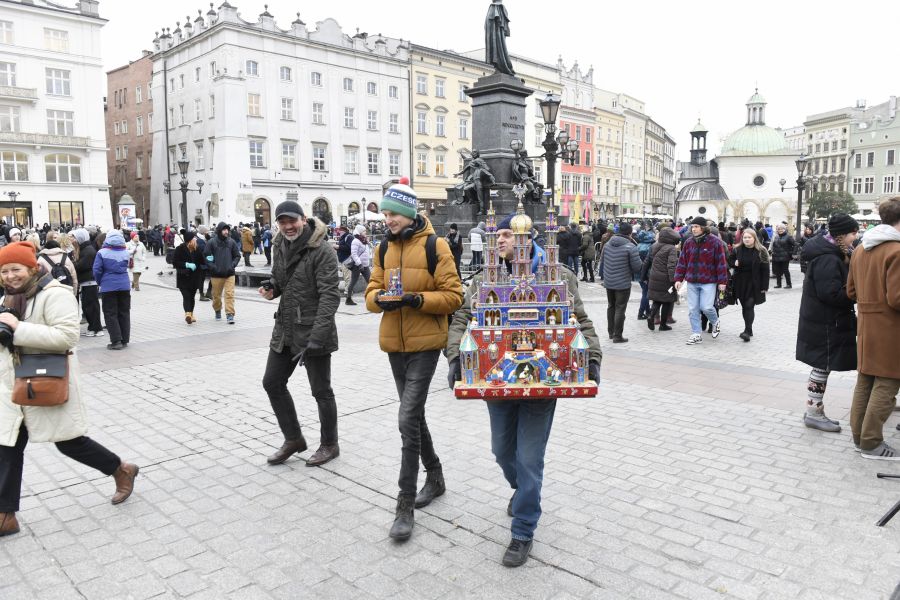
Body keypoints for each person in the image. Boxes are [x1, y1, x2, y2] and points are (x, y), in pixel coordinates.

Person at [446, 211, 602, 567]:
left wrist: (591, 357)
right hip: (497, 379)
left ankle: (523, 529)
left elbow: (579, 320)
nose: (502, 240)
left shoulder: (559, 276)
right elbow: (462, 319)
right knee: (502, 452)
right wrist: (456, 356)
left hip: (541, 384)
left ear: (527, 238)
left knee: (529, 460)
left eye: (508, 234)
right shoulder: (484, 278)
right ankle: (523, 492)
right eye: (498, 235)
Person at [0, 242, 139, 538]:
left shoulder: (55, 294)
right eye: (4, 271)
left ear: (32, 268)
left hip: (45, 380)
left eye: (15, 269)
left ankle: (121, 469)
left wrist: (17, 328)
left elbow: (67, 336)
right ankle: (5, 516)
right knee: (7, 446)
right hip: (14, 386)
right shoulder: (8, 297)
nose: (10, 276)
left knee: (69, 443)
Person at [364, 179, 462, 541]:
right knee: (414, 415)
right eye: (385, 214)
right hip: (395, 344)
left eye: (393, 214)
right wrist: (380, 300)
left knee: (406, 418)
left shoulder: (437, 246)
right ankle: (435, 476)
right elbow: (371, 292)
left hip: (425, 345)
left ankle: (404, 505)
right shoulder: (382, 248)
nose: (387, 219)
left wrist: (416, 300)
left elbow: (454, 296)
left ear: (408, 214)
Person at [259, 201, 341, 468]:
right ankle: (293, 439)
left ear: (303, 220)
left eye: (292, 221)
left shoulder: (322, 250)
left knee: (321, 391)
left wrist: (318, 336)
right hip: (285, 329)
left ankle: (330, 444)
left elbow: (330, 295)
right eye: (282, 222)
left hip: (315, 330)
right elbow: (280, 280)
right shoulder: (279, 244)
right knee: (272, 382)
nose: (288, 227)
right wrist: (272, 288)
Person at [796, 213, 860, 433]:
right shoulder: (828, 258)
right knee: (822, 366)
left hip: (823, 319)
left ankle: (814, 410)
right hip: (824, 321)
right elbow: (830, 294)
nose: (855, 236)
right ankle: (813, 413)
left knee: (822, 365)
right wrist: (854, 293)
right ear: (842, 235)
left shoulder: (832, 252)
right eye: (853, 233)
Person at [847, 198, 900, 458]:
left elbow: (850, 291)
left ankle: (860, 438)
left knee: (865, 381)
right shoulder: (896, 250)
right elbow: (897, 298)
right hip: (891, 328)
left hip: (867, 325)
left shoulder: (861, 248)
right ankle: (871, 442)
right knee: (888, 383)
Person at [674, 217, 728, 345]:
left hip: (708, 281)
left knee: (706, 307)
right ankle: (696, 334)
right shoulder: (688, 242)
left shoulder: (715, 242)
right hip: (692, 280)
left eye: (696, 226)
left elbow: (721, 263)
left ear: (703, 228)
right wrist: (678, 278)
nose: (693, 229)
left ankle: (715, 322)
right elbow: (682, 261)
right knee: (693, 309)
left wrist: (722, 282)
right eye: (692, 227)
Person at [601, 222, 641, 343]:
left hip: (609, 281)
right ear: (630, 233)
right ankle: (617, 336)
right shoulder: (630, 247)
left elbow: (602, 261)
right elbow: (637, 267)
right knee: (620, 308)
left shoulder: (607, 244)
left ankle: (611, 332)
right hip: (623, 283)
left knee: (611, 306)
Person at [728, 228, 770, 342]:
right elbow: (729, 261)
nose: (747, 239)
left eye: (749, 237)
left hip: (754, 283)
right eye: (745, 237)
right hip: (740, 282)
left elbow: (765, 269)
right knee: (744, 306)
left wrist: (764, 286)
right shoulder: (737, 249)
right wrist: (734, 263)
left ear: (754, 238)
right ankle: (749, 329)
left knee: (749, 305)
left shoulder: (761, 250)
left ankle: (747, 331)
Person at [92, 230, 131, 351]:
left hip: (108, 286)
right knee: (124, 312)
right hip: (125, 285)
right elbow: (129, 266)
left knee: (110, 313)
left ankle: (116, 341)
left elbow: (96, 270)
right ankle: (125, 339)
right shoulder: (126, 252)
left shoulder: (102, 253)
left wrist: (100, 282)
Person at [205, 222, 241, 324]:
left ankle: (230, 314)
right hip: (216, 274)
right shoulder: (211, 242)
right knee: (216, 296)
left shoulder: (231, 242)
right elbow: (206, 257)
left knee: (229, 294)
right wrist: (213, 267)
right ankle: (217, 310)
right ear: (219, 230)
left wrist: (232, 265)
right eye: (224, 230)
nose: (226, 232)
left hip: (229, 273)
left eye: (227, 230)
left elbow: (237, 255)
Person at [645, 226, 680, 332]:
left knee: (657, 299)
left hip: (654, 276)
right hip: (666, 278)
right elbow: (671, 265)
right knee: (667, 301)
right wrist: (673, 280)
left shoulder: (655, 245)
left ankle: (651, 316)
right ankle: (663, 325)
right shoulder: (671, 248)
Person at [72, 228, 103, 338]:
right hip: (86, 282)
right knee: (88, 306)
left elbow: (80, 266)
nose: (73, 240)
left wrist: (71, 265)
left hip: (90, 282)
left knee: (91, 306)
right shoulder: (85, 249)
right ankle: (93, 327)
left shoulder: (88, 251)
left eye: (74, 237)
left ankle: (96, 328)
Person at [171, 231, 205, 324]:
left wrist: (208, 258)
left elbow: (202, 261)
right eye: (194, 238)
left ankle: (191, 314)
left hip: (194, 277)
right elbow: (175, 262)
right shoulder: (179, 249)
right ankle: (188, 314)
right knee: (186, 296)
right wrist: (186, 264)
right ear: (189, 240)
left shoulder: (197, 249)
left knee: (192, 297)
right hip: (183, 277)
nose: (196, 239)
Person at [346, 225, 371, 306]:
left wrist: (368, 243)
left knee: (370, 281)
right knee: (353, 282)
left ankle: (371, 298)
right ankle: (348, 299)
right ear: (359, 232)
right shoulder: (356, 241)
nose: (365, 232)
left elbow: (367, 252)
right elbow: (354, 254)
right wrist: (359, 264)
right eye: (363, 231)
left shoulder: (364, 240)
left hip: (365, 265)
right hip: (358, 265)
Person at [770, 224, 796, 288]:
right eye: (779, 229)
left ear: (785, 229)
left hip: (785, 257)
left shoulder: (788, 236)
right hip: (776, 256)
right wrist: (772, 252)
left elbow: (795, 245)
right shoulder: (776, 237)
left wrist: (792, 253)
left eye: (782, 229)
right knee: (777, 271)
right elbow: (774, 245)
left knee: (785, 270)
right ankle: (779, 284)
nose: (780, 230)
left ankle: (789, 284)